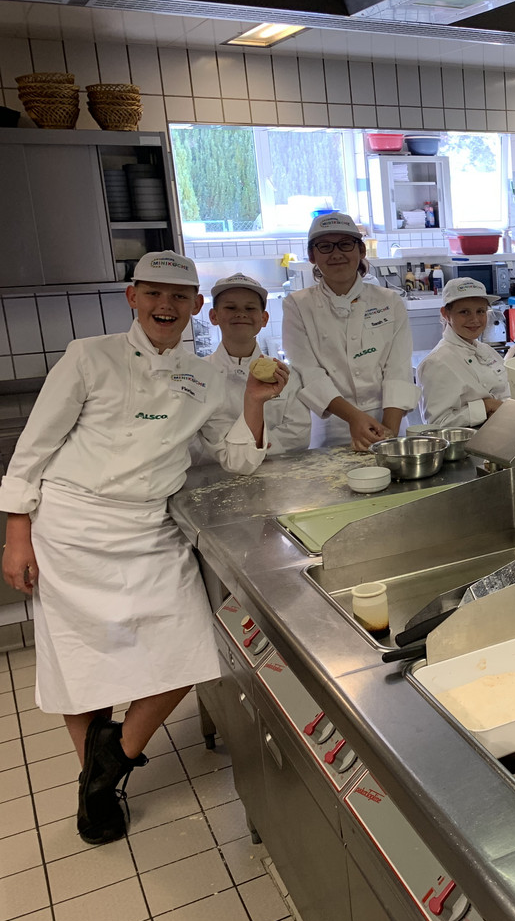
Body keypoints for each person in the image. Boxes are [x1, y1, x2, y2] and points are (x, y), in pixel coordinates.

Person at [0, 251, 284, 845]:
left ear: (196, 306)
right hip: (72, 527)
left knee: (191, 646)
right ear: (133, 297)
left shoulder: (205, 377)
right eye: (153, 293)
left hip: (149, 527)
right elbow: (33, 448)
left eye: (179, 296)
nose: (165, 305)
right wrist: (17, 533)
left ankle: (113, 759)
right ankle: (99, 790)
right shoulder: (89, 357)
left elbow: (236, 458)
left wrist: (254, 403)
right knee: (81, 662)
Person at [282, 212, 416, 449]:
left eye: (345, 244)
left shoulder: (390, 301)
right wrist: (354, 418)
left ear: (361, 250)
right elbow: (308, 372)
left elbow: (398, 368)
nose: (336, 254)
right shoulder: (297, 305)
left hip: (389, 419)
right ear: (312, 256)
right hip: (332, 427)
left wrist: (388, 434)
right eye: (325, 246)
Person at [192, 272, 312, 461]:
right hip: (214, 473)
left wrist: (247, 448)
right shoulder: (197, 375)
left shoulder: (284, 374)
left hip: (276, 471)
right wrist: (250, 446)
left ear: (264, 318)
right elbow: (194, 438)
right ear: (213, 316)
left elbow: (299, 433)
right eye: (230, 307)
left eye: (250, 308)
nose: (241, 313)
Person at [418, 278, 511, 426]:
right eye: (464, 312)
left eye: (480, 311)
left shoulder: (486, 350)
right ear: (445, 314)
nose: (474, 319)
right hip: (469, 439)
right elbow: (436, 425)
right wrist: (486, 406)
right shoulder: (437, 362)